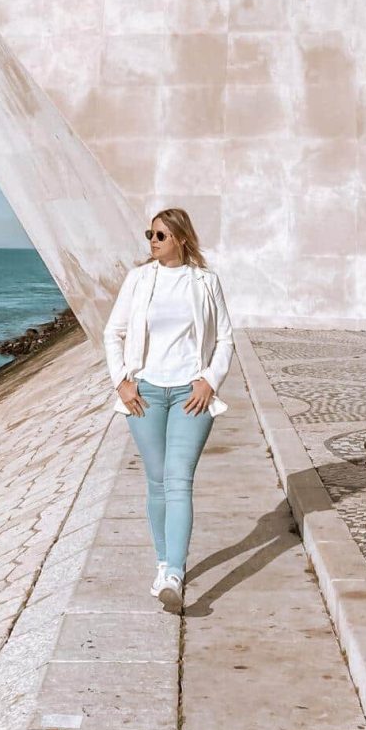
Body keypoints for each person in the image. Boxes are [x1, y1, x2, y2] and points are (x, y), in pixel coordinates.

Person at [102, 209, 234, 611]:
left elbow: (226, 338)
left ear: (180, 238)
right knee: (157, 480)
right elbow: (114, 331)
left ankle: (174, 571)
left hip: (189, 394)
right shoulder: (139, 280)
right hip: (144, 393)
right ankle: (164, 564)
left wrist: (210, 380)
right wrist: (122, 382)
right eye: (150, 234)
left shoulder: (206, 281)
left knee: (179, 479)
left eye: (160, 235)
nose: (153, 242)